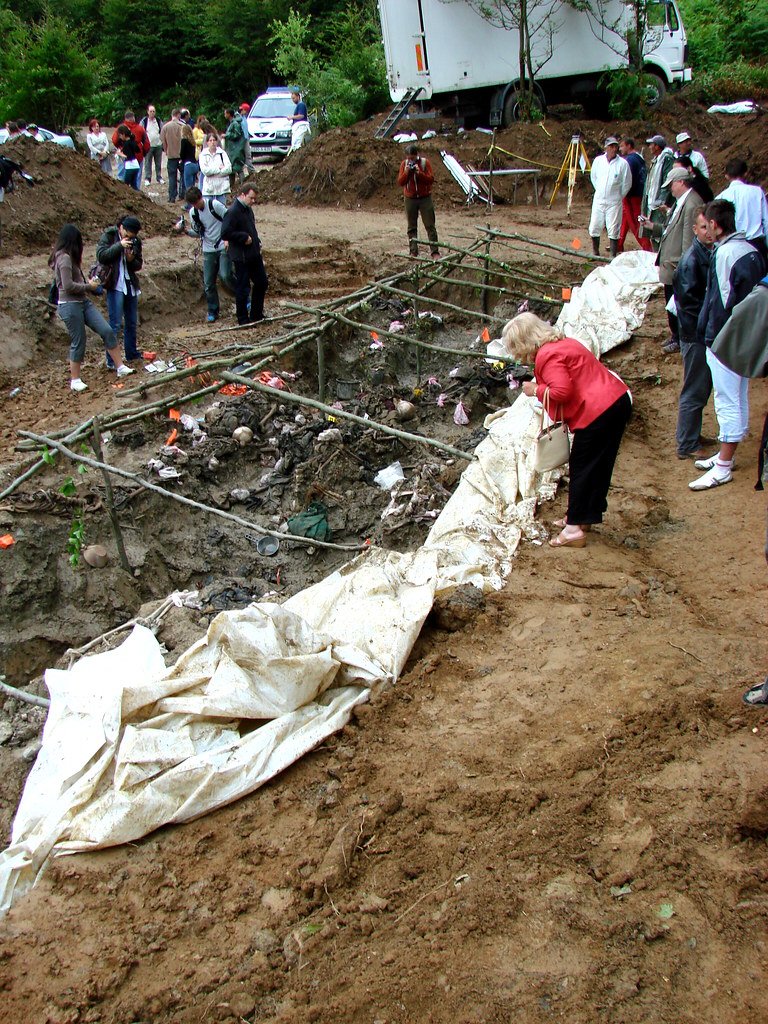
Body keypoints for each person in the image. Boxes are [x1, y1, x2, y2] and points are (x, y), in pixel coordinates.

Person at [502, 312, 632, 547]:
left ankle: (573, 530)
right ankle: (581, 517)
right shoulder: (563, 343)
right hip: (613, 402)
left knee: (582, 467)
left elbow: (562, 392)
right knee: (596, 466)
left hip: (598, 412)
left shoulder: (547, 355)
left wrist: (536, 390)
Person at [689, 199, 766, 490]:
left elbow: (722, 301)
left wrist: (715, 338)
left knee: (726, 399)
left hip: (727, 339)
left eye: (707, 225)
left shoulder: (725, 254)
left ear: (717, 226)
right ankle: (727, 454)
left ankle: (723, 465)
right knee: (739, 392)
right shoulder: (750, 248)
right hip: (748, 337)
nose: (705, 231)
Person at [50, 224, 134, 391]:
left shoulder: (69, 258)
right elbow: (67, 286)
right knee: (79, 340)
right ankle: (75, 379)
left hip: (82, 302)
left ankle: (120, 366)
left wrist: (89, 286)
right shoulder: (64, 259)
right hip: (70, 305)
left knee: (107, 330)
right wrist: (89, 286)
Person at [640, 166, 704, 353]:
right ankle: (676, 335)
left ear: (681, 182)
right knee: (671, 301)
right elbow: (670, 230)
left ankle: (681, 336)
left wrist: (684, 267)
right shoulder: (680, 202)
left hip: (677, 264)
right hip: (671, 262)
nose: (670, 189)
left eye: (672, 185)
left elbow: (688, 240)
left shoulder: (691, 204)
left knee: (679, 304)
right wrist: (651, 226)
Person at [673, 209, 714, 459]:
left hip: (698, 332)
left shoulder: (706, 255)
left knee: (701, 387)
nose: (707, 232)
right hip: (694, 335)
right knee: (694, 389)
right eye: (702, 228)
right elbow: (690, 304)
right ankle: (686, 443)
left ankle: (692, 434)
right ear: (695, 230)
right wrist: (705, 329)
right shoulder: (691, 261)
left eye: (709, 227)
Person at [96, 215, 145, 367]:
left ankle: (131, 353)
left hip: (129, 283)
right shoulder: (109, 236)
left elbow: (138, 264)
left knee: (131, 322)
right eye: (126, 235)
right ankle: (111, 360)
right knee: (115, 324)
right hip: (115, 284)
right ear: (121, 228)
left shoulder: (136, 241)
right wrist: (119, 246)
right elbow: (102, 256)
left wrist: (131, 259)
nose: (128, 238)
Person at [220, 183, 268, 325]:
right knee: (243, 287)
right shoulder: (233, 212)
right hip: (241, 257)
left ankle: (256, 314)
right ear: (243, 195)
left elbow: (251, 227)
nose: (253, 201)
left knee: (261, 282)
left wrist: (256, 240)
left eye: (254, 199)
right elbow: (225, 233)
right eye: (251, 198)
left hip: (253, 254)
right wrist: (243, 237)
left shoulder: (247, 209)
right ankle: (242, 318)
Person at [185, 185, 233, 323]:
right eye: (193, 204)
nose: (196, 206)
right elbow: (198, 232)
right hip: (208, 248)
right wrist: (185, 231)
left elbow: (229, 219)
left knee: (225, 275)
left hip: (223, 244)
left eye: (197, 202)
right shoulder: (193, 213)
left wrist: (227, 238)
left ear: (201, 197)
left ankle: (243, 296)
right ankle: (213, 310)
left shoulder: (214, 205)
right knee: (208, 283)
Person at [716, 159, 768, 262]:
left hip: (732, 247)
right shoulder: (757, 192)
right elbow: (766, 222)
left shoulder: (720, 198)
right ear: (746, 173)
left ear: (726, 175)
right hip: (757, 244)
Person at [589, 136, 631, 258]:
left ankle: (613, 254)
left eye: (615, 146)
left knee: (613, 227)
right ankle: (595, 252)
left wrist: (618, 196)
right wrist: (601, 190)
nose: (613, 149)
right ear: (606, 148)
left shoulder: (623, 164)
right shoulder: (598, 161)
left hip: (614, 201)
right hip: (599, 199)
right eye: (611, 146)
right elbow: (594, 177)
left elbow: (627, 183)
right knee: (595, 225)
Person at [397, 144, 439, 258]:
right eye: (409, 158)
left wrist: (419, 173)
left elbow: (430, 179)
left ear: (417, 155)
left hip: (425, 197)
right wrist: (407, 172)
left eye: (413, 158)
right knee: (411, 226)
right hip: (410, 198)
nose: (411, 160)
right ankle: (413, 251)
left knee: (430, 225)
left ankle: (435, 251)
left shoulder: (425, 163)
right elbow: (400, 182)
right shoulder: (404, 165)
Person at [617, 137, 651, 253]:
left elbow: (626, 179)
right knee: (625, 219)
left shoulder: (629, 161)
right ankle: (618, 243)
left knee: (635, 223)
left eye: (622, 146)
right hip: (638, 194)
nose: (620, 149)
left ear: (628, 146)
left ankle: (647, 248)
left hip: (631, 195)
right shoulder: (639, 158)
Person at [641, 135, 675, 246]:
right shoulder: (655, 161)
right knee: (651, 229)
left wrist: (661, 201)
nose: (649, 147)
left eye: (651, 144)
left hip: (659, 203)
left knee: (658, 230)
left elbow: (666, 182)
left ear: (657, 146)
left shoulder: (667, 160)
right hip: (651, 200)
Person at [111, 111, 149, 182]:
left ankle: (122, 191)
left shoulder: (120, 128)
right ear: (133, 118)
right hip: (138, 155)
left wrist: (120, 147)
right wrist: (144, 152)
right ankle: (136, 192)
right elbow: (146, 143)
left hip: (124, 154)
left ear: (125, 118)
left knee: (122, 176)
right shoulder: (140, 128)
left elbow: (114, 140)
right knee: (137, 177)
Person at [199, 132, 231, 203]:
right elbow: (205, 171)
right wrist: (219, 168)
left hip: (221, 189)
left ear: (216, 141)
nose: (212, 142)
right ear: (207, 142)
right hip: (209, 190)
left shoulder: (222, 153)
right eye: (210, 140)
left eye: (214, 140)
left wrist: (212, 171)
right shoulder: (203, 155)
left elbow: (229, 169)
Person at [161, 109, 184, 202]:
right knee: (183, 176)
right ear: (178, 115)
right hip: (182, 155)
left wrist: (166, 150)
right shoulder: (183, 126)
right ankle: (182, 195)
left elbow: (163, 140)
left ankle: (172, 197)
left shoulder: (165, 127)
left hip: (171, 155)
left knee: (172, 177)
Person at [140, 104, 163, 186]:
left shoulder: (158, 120)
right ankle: (147, 178)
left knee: (158, 162)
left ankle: (159, 177)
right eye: (151, 111)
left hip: (158, 145)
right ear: (147, 112)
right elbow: (141, 132)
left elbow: (162, 131)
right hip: (148, 145)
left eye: (153, 111)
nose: (152, 113)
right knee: (147, 163)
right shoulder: (144, 121)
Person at [223, 108, 247, 185]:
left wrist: (227, 135)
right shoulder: (231, 123)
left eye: (225, 113)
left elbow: (237, 135)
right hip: (232, 149)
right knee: (231, 169)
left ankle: (242, 184)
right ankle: (232, 186)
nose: (224, 115)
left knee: (238, 168)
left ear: (229, 114)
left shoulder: (235, 123)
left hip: (236, 149)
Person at [115, 125, 142, 190]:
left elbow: (128, 156)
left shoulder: (126, 144)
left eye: (120, 135)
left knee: (126, 184)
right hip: (136, 165)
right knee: (134, 184)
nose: (120, 137)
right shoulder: (133, 141)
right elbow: (138, 150)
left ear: (123, 134)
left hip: (130, 166)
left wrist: (120, 153)